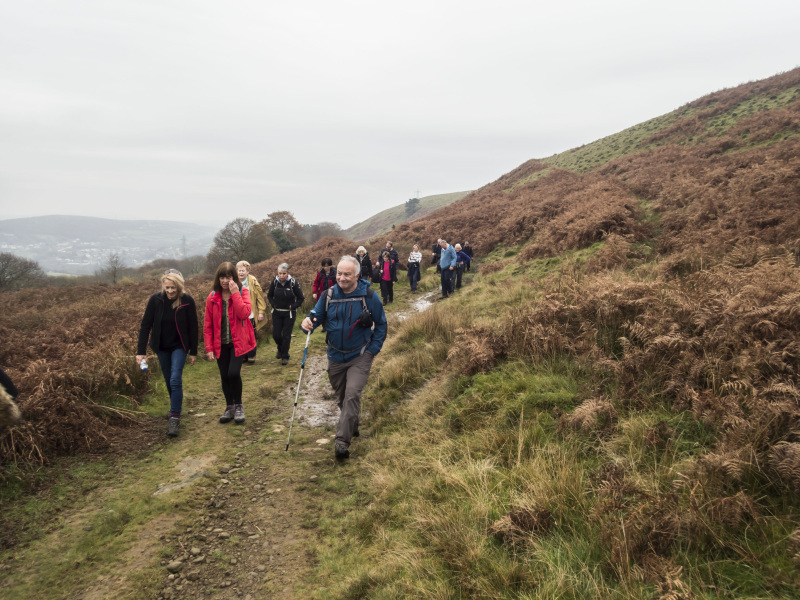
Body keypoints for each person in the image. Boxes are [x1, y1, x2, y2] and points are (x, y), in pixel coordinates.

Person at [301, 256, 387, 459]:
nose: (341, 278)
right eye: (339, 273)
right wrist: (307, 323)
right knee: (342, 397)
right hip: (335, 356)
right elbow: (316, 316)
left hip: (360, 355)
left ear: (357, 275)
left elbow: (382, 325)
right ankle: (352, 422)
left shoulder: (369, 295)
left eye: (347, 274)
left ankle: (341, 442)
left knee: (352, 394)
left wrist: (372, 350)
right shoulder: (328, 295)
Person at [136, 269, 198, 437]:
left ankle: (175, 418)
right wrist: (140, 352)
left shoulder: (187, 301)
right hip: (161, 347)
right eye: (168, 287)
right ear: (163, 286)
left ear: (180, 287)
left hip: (179, 346)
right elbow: (145, 326)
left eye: (174, 288)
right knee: (169, 380)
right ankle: (174, 409)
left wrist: (193, 351)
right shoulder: (155, 300)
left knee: (175, 379)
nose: (170, 291)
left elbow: (193, 327)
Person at [204, 262, 256, 425]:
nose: (225, 280)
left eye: (228, 277)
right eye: (222, 277)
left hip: (238, 343)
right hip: (220, 344)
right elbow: (208, 325)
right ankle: (229, 407)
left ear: (234, 277)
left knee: (233, 373)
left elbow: (244, 314)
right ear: (218, 278)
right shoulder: (212, 297)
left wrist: (235, 293)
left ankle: (239, 405)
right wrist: (209, 347)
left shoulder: (243, 291)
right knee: (224, 376)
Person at [267, 262, 305, 366]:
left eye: (284, 273)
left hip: (289, 314)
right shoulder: (274, 282)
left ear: (288, 273)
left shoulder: (293, 283)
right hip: (277, 313)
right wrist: (273, 304)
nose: (282, 275)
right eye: (280, 273)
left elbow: (301, 298)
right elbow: (269, 295)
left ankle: (285, 356)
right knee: (276, 335)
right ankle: (280, 348)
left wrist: (293, 306)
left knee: (287, 336)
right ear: (277, 273)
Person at [236, 261, 267, 364]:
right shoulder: (233, 282)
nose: (241, 273)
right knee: (241, 336)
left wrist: (261, 312)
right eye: (239, 270)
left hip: (252, 314)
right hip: (239, 315)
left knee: (251, 335)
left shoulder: (253, 281)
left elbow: (260, 297)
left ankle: (251, 355)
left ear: (247, 271)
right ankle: (244, 355)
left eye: (243, 271)